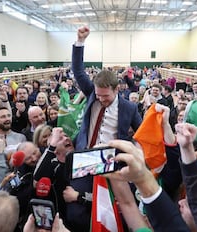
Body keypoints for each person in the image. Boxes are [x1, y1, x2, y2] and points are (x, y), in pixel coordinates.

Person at [68, 26, 142, 231]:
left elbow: (142, 134)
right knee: (76, 210)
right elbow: (78, 70)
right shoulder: (92, 93)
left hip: (113, 161)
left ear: (117, 89)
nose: (100, 99)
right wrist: (80, 42)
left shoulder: (129, 107)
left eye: (105, 96)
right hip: (86, 156)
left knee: (112, 207)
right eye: (98, 96)